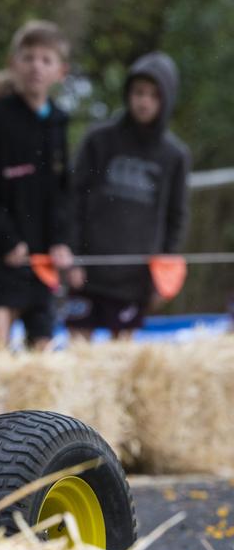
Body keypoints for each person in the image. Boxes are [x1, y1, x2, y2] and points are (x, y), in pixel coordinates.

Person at [0, 20, 73, 349]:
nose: (36, 66)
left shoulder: (59, 124)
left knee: (43, 356)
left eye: (46, 59)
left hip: (41, 264)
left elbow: (63, 193)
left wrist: (62, 241)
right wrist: (7, 241)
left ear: (60, 71)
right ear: (13, 64)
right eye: (28, 57)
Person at [66, 52, 190, 339]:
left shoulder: (175, 155)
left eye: (153, 95)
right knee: (77, 354)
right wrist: (73, 256)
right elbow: (74, 200)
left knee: (122, 356)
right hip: (87, 272)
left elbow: (177, 216)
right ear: (128, 94)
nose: (144, 101)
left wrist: (164, 276)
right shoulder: (99, 139)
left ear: (166, 100)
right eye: (138, 92)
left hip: (135, 280)